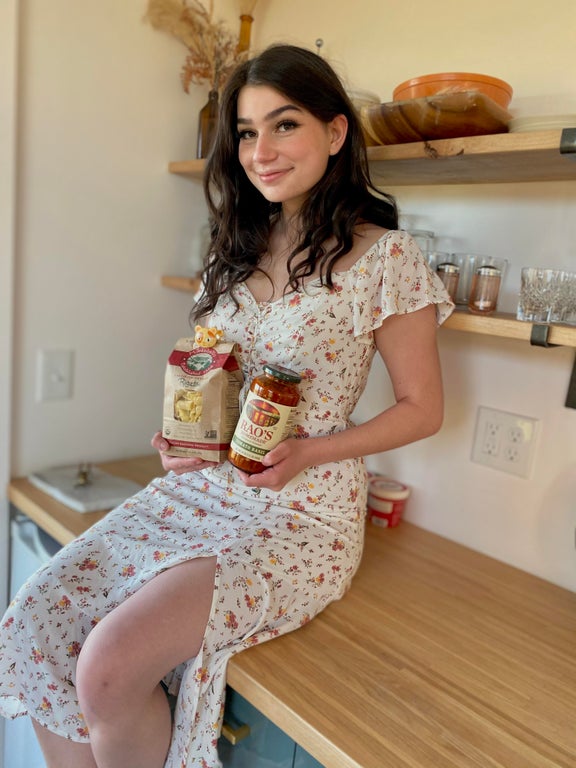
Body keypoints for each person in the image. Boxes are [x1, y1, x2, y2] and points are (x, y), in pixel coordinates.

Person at [0, 43, 453, 768]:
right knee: (32, 626)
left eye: (284, 125)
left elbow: (422, 410)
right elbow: (215, 378)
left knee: (108, 666)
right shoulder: (235, 249)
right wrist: (189, 439)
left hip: (304, 514)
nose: (260, 151)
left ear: (336, 134)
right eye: (246, 132)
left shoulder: (388, 260)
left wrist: (308, 450)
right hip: (203, 489)